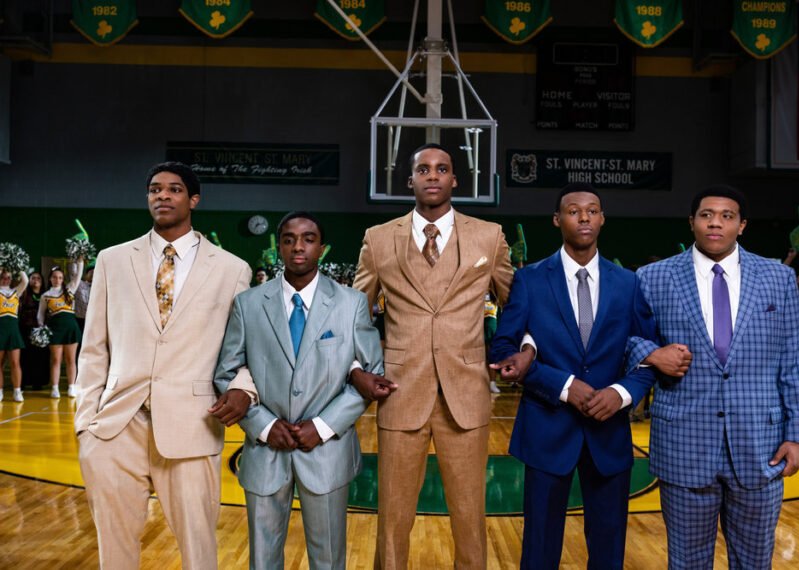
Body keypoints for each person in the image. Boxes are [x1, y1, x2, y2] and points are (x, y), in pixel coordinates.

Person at [74, 161, 252, 569]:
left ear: (193, 200)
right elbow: (94, 347)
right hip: (116, 426)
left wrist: (245, 387)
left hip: (193, 423)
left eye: (174, 189)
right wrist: (86, 424)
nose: (163, 196)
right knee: (114, 550)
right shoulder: (112, 260)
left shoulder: (231, 269)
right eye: (155, 189)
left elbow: (245, 349)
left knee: (199, 550)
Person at [626, 185, 799, 568]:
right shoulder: (652, 278)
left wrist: (797, 435)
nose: (715, 222)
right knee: (687, 562)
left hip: (762, 445)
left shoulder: (777, 277)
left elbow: (795, 359)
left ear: (742, 225)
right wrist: (651, 353)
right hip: (684, 444)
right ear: (691, 222)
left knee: (754, 562)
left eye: (727, 216)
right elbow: (623, 338)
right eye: (706, 214)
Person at [352, 143, 514, 569]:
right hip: (400, 390)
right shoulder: (378, 238)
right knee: (393, 517)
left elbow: (515, 305)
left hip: (466, 392)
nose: (433, 175)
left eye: (442, 169)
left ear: (454, 179)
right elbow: (353, 313)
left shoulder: (489, 236)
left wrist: (518, 350)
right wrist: (359, 368)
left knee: (469, 516)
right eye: (423, 169)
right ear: (410, 181)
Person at [488, 183, 656, 569]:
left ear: (602, 219)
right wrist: (562, 385)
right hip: (547, 429)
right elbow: (502, 351)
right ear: (557, 219)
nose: (583, 217)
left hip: (608, 432)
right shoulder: (529, 279)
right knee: (540, 547)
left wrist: (622, 393)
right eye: (573, 210)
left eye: (592, 210)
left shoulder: (629, 283)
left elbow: (648, 353)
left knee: (609, 546)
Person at [214, 211, 384, 570]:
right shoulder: (249, 304)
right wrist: (262, 425)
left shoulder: (350, 302)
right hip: (264, 451)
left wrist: (321, 426)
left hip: (327, 452)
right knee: (263, 559)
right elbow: (227, 373)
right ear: (279, 248)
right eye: (289, 239)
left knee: (328, 558)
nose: (298, 246)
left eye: (308, 238)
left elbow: (369, 374)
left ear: (322, 248)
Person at [38, 259, 83, 398]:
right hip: (55, 329)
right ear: (50, 279)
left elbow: (78, 276)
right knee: (56, 360)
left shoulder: (69, 290)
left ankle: (71, 387)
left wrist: (80, 261)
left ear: (63, 279)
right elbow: (40, 315)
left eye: (60, 277)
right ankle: (55, 388)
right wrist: (42, 330)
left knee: (71, 359)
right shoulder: (45, 296)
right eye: (55, 277)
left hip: (71, 328)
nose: (57, 280)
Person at [0, 269, 29, 402]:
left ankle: (17, 391)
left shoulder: (16, 292)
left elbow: (25, 281)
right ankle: (0, 391)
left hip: (13, 330)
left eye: (8, 277)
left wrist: (19, 267)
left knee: (15, 363)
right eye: (3, 277)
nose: (5, 279)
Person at [18, 271, 49, 390]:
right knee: (25, 356)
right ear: (29, 280)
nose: (35, 280)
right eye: (33, 278)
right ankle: (23, 381)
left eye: (38, 278)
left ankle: (38, 382)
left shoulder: (46, 295)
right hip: (25, 328)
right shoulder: (24, 294)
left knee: (40, 357)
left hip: (41, 329)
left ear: (42, 282)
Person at [74, 262, 95, 361]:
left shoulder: (102, 287)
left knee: (94, 349)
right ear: (86, 274)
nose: (94, 273)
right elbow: (73, 273)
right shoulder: (79, 284)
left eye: (96, 271)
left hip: (95, 323)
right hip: (80, 321)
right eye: (91, 271)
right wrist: (78, 260)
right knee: (79, 349)